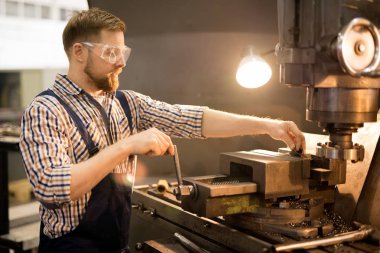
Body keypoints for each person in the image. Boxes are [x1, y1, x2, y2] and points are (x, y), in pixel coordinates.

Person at [19, 8, 306, 253]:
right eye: (111, 52)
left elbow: (192, 119)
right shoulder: (45, 110)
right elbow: (52, 188)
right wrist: (126, 145)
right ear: (79, 52)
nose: (121, 62)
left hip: (115, 244)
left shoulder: (126, 103)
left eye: (124, 52)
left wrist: (268, 125)